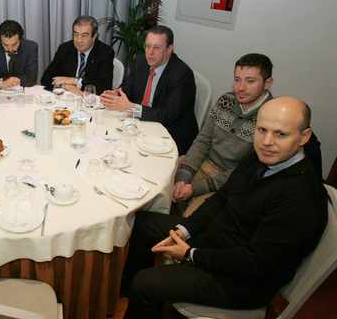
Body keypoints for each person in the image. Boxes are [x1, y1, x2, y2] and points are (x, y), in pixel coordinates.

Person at [123, 97, 328, 318]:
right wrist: (184, 230)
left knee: (145, 284)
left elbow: (256, 262)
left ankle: (141, 295)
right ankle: (128, 295)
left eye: (281, 134)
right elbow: (222, 198)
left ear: (304, 137)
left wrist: (191, 254)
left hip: (242, 281)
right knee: (142, 222)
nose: (267, 141)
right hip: (218, 242)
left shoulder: (302, 198)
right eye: (261, 130)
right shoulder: (261, 157)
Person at [172, 53, 273, 213]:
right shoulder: (225, 100)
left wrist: (194, 188)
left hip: (228, 183)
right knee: (156, 181)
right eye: (237, 79)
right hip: (203, 163)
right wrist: (183, 177)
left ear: (267, 83)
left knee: (190, 222)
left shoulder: (269, 120)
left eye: (250, 81)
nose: (240, 88)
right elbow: (202, 141)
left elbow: (243, 172)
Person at [100, 25, 198, 154]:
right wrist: (117, 93)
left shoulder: (182, 75)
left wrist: (131, 107)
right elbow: (128, 87)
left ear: (169, 49)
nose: (150, 52)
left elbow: (167, 115)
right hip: (142, 125)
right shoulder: (141, 61)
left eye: (156, 48)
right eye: (147, 46)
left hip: (170, 135)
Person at [40, 15, 114, 95]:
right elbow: (45, 79)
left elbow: (104, 87)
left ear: (94, 36)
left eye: (84, 35)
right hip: (66, 99)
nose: (79, 40)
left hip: (89, 102)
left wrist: (75, 81)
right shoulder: (65, 48)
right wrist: (65, 86)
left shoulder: (105, 52)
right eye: (76, 34)